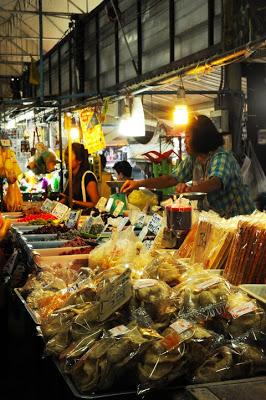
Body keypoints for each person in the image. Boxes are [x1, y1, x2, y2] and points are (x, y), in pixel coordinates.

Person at [122, 115, 255, 218]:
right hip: (218, 221)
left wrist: (190, 189)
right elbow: (170, 179)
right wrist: (138, 183)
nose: (185, 141)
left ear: (200, 138)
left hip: (239, 220)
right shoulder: (194, 159)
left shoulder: (222, 157)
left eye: (188, 136)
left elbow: (215, 182)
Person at [60, 143, 99, 209]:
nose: (66, 159)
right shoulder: (71, 177)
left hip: (85, 217)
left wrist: (74, 201)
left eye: (68, 155)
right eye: (65, 155)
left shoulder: (88, 177)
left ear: (79, 160)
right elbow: (65, 199)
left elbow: (96, 204)